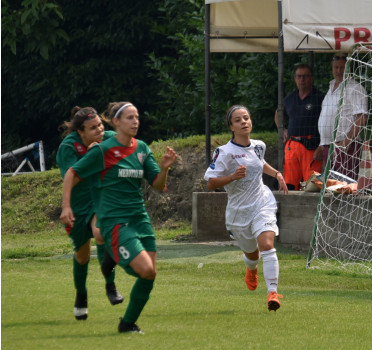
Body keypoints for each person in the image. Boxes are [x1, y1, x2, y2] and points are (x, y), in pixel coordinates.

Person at [60, 102, 178, 334]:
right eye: (129, 118)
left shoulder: (142, 147)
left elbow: (157, 184)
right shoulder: (102, 150)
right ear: (116, 122)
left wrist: (164, 168)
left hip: (140, 219)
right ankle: (110, 261)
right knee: (145, 270)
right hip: (115, 221)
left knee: (149, 272)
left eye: (137, 117)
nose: (135, 122)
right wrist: (66, 207)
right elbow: (72, 173)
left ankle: (127, 323)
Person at [205, 105, 288, 311]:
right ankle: (252, 268)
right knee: (253, 255)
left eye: (246, 118)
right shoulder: (224, 152)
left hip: (262, 203)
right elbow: (211, 183)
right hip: (239, 213)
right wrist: (232, 177)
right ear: (231, 127)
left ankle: (273, 292)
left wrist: (276, 173)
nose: (244, 122)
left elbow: (260, 163)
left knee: (267, 245)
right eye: (238, 120)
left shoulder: (259, 145)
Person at [56, 106, 123, 321]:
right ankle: (81, 295)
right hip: (77, 205)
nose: (100, 131)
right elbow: (72, 178)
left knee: (101, 232)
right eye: (93, 128)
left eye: (101, 125)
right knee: (82, 255)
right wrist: (95, 156)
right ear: (80, 132)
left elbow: (129, 146)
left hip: (100, 200)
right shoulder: (68, 147)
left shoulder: (109, 138)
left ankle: (110, 286)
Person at [317, 54, 368, 180]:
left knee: (345, 186)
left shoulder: (355, 88)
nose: (339, 71)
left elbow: (361, 117)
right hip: (327, 146)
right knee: (329, 186)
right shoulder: (331, 87)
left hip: (346, 147)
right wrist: (321, 144)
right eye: (336, 67)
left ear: (349, 69)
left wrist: (347, 141)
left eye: (342, 68)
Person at [275, 64, 325, 190]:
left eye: (305, 76)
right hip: (292, 145)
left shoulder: (320, 97)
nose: (302, 79)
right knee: (289, 183)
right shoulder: (290, 98)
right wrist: (282, 129)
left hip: (311, 145)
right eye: (299, 76)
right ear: (295, 79)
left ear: (311, 78)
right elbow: (278, 112)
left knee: (313, 184)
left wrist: (323, 144)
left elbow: (328, 120)